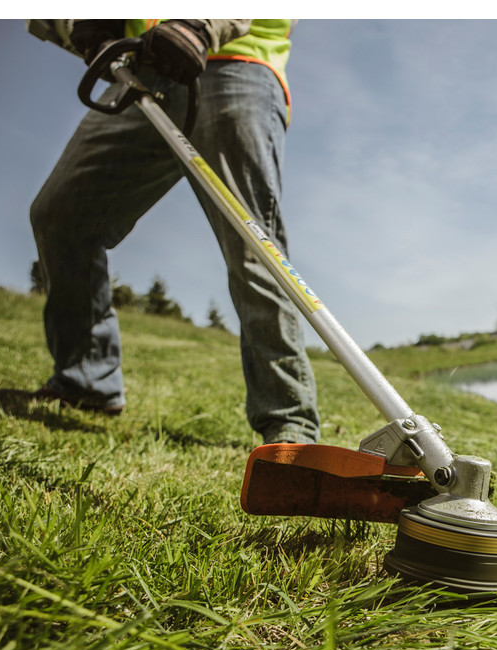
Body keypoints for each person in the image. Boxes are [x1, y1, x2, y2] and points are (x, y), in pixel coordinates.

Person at [28, 19, 320, 446]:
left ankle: (289, 427)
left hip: (235, 61)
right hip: (142, 67)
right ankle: (86, 381)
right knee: (63, 215)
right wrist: (77, 24)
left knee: (253, 247)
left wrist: (203, 23)